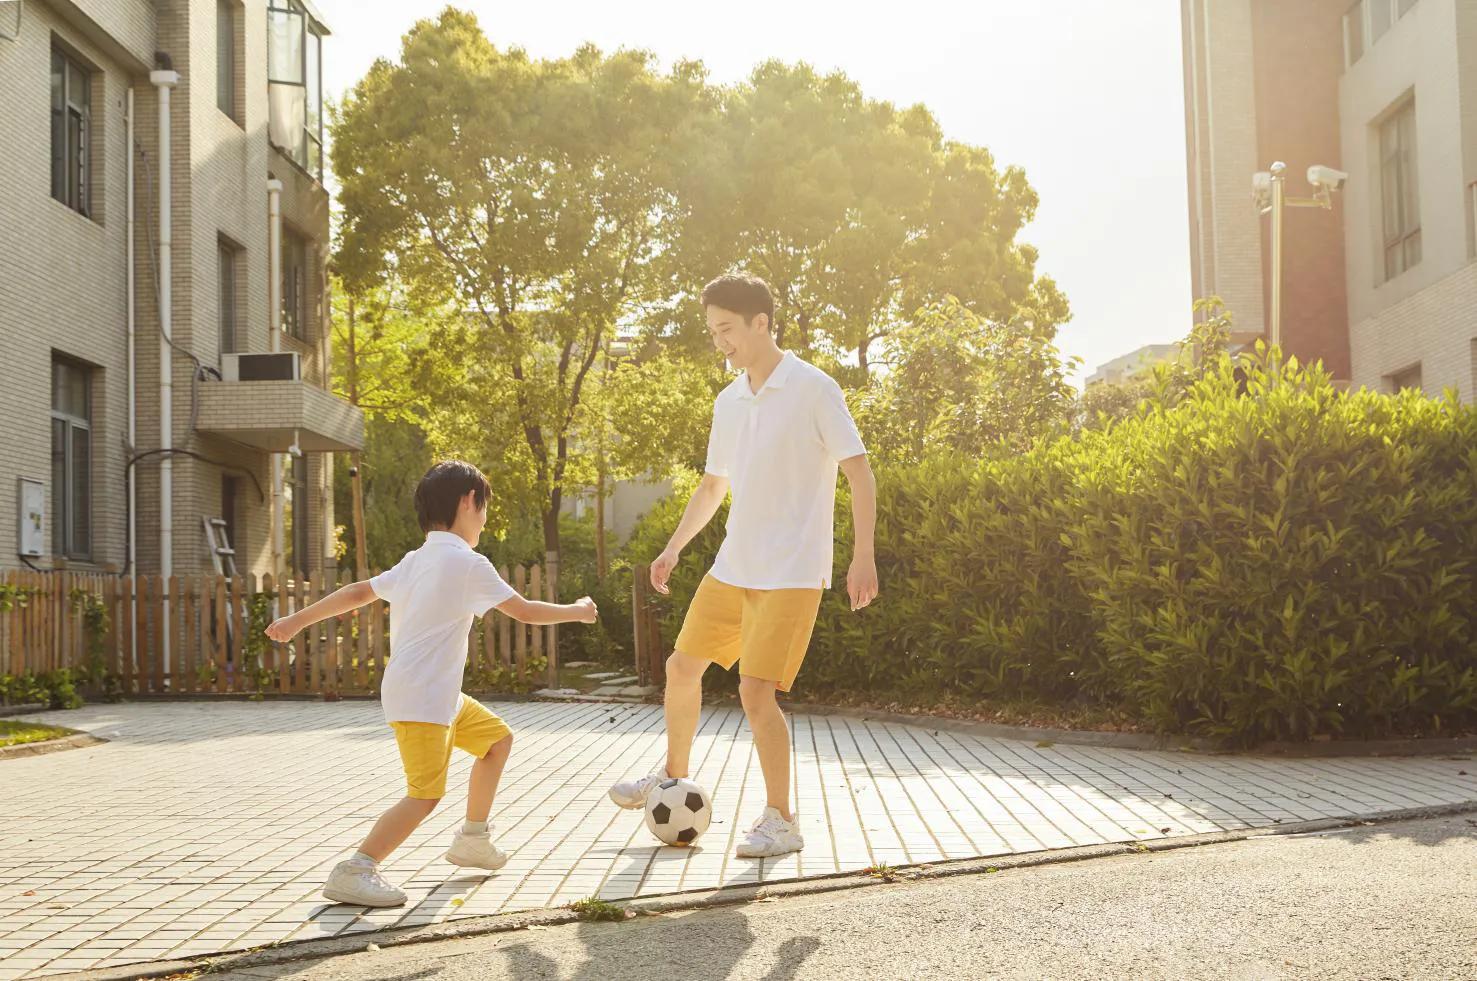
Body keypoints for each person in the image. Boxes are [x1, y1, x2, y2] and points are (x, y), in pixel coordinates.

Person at [608, 273, 879, 858]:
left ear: (761, 322)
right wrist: (674, 546)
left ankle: (782, 820)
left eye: (726, 329)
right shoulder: (729, 401)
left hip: (791, 571)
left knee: (756, 696)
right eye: (712, 331)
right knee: (682, 668)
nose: (719, 341)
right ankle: (671, 777)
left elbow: (859, 470)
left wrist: (862, 555)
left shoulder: (814, 388)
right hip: (735, 565)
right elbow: (712, 485)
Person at [265, 460, 598, 906]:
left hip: (433, 694)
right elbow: (524, 611)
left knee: (497, 741)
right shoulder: (467, 563)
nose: (484, 518)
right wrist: (576, 610)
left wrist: (295, 621)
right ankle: (355, 868)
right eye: (483, 507)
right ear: (466, 502)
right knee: (424, 795)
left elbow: (357, 593)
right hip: (424, 697)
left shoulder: (415, 560)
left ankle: (473, 840)